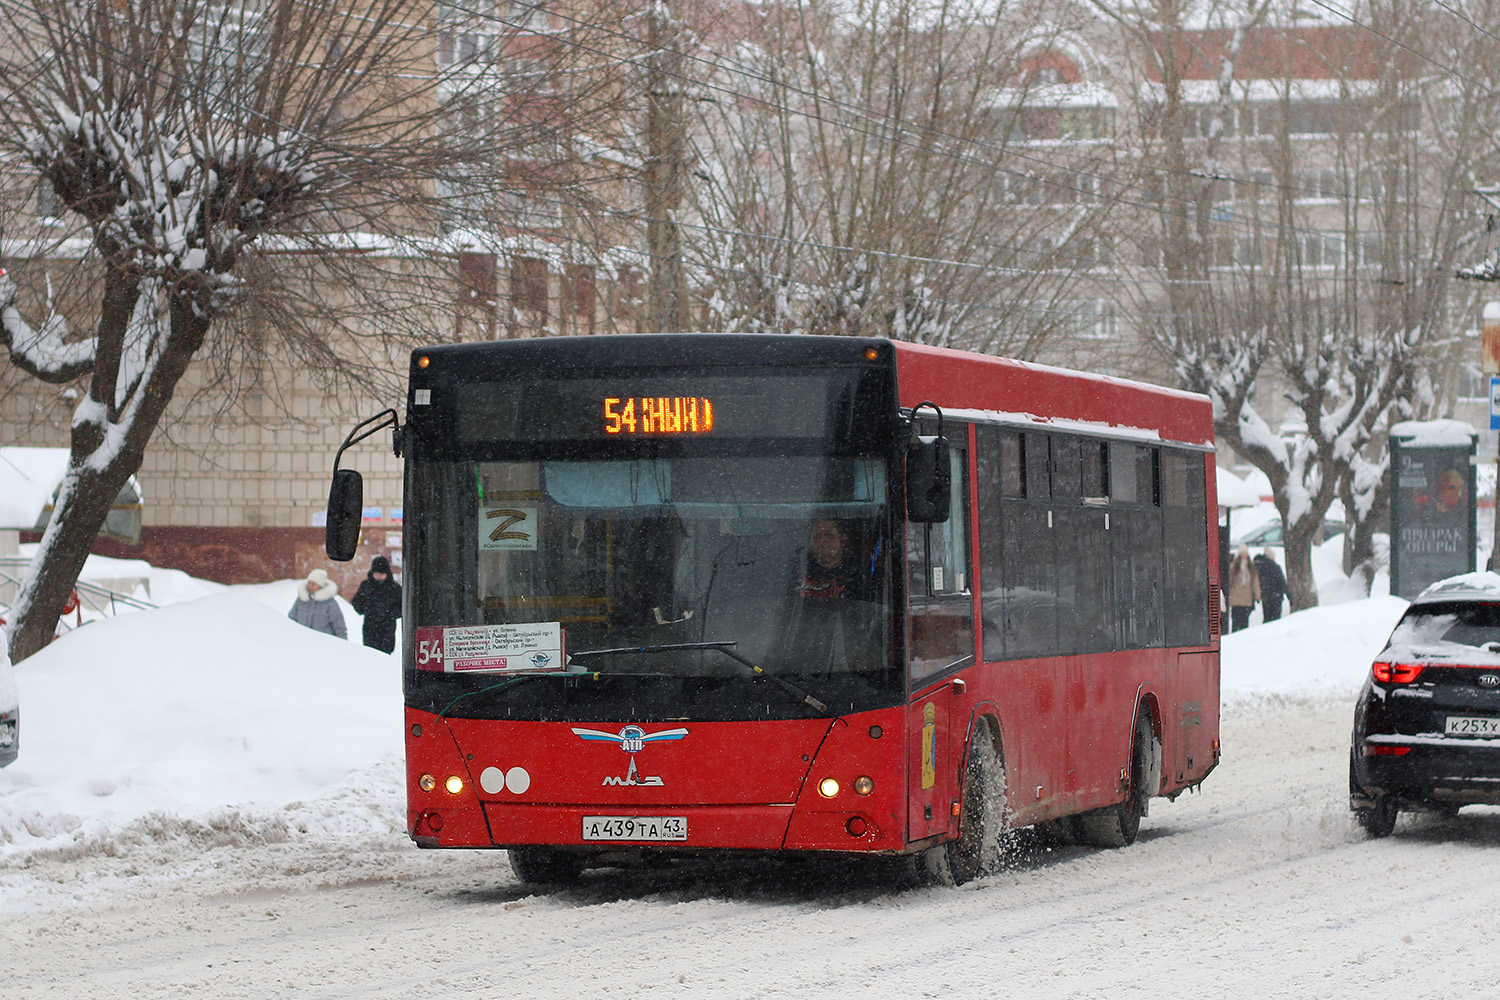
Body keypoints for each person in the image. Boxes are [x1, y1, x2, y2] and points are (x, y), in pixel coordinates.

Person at [799, 519, 869, 600]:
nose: (822, 542)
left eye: (829, 535)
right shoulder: (801, 567)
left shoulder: (857, 572)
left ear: (842, 539)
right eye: (817, 535)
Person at [352, 555, 402, 653]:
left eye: (382, 573)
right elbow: (356, 602)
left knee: (385, 655)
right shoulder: (366, 586)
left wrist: (390, 614)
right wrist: (366, 609)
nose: (379, 576)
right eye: (376, 573)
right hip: (370, 627)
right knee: (370, 653)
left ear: (387, 573)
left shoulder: (395, 588)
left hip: (387, 629)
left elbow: (403, 607)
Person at [288, 567, 346, 639]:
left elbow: (339, 626)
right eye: (309, 583)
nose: (310, 586)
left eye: (314, 584)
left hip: (324, 643)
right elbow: (291, 620)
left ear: (321, 586)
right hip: (302, 641)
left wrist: (343, 644)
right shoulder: (302, 599)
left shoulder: (329, 603)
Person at [1227, 544, 1259, 632]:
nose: (1244, 556)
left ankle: (1241, 635)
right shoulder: (1234, 567)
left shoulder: (1250, 568)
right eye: (1242, 553)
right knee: (1237, 621)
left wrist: (1257, 596)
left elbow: (1255, 583)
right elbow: (1229, 581)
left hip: (1245, 599)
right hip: (1237, 599)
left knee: (1243, 621)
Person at [1254, 548, 1287, 622]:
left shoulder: (1259, 567)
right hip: (1276, 597)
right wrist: (1289, 596)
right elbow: (1282, 582)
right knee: (1275, 619)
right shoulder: (1275, 567)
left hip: (1265, 597)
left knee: (1267, 617)